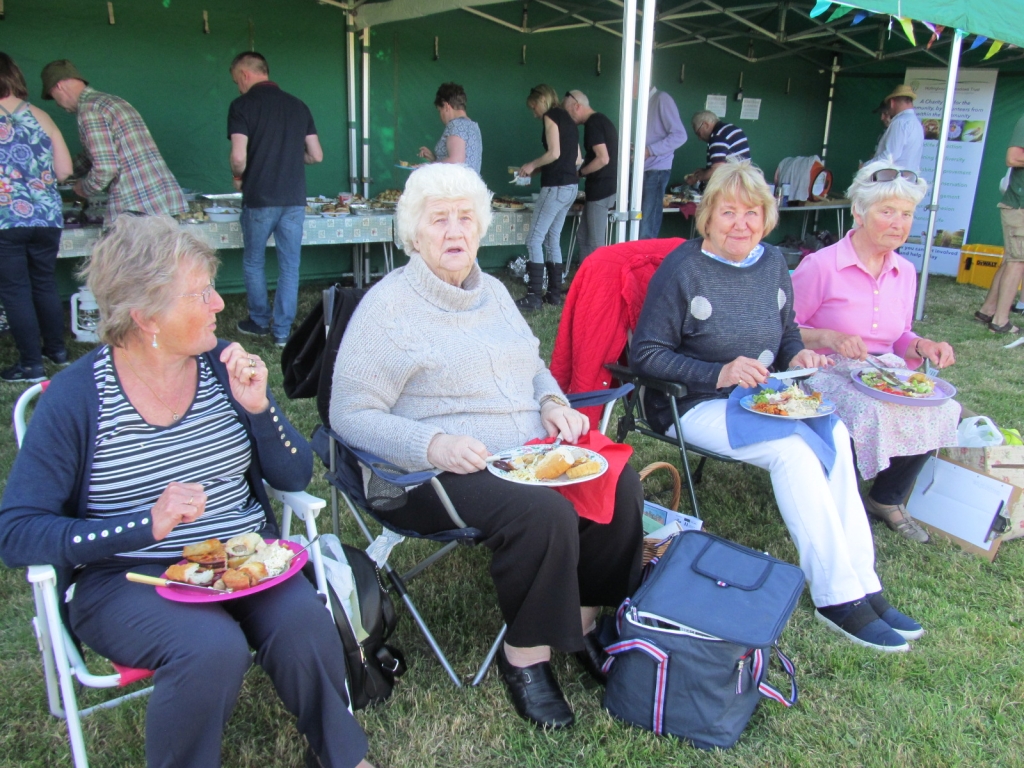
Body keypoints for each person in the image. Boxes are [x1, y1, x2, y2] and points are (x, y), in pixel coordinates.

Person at [0, 216, 371, 768]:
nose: (219, 304)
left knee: (300, 621)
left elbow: (294, 477)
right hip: (128, 578)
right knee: (209, 647)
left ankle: (343, 758)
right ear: (146, 317)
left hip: (242, 560)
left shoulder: (222, 367)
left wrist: (259, 408)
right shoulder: (79, 398)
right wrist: (144, 525)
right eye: (200, 294)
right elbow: (17, 532)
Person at [331, 163, 643, 730]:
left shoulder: (494, 292)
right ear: (414, 233)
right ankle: (525, 657)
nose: (455, 231)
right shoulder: (388, 308)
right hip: (426, 475)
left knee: (615, 476)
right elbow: (347, 415)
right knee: (542, 509)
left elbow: (533, 370)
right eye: (440, 219)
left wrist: (552, 405)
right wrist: (434, 442)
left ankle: (587, 621)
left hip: (522, 451)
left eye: (466, 219)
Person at [631, 159, 921, 653]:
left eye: (751, 213)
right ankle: (836, 597)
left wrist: (798, 354)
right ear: (707, 216)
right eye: (727, 213)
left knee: (832, 433)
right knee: (792, 451)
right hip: (690, 403)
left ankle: (863, 582)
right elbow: (646, 353)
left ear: (766, 217)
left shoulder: (770, 262)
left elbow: (786, 331)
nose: (740, 225)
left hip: (761, 396)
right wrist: (717, 372)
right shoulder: (683, 269)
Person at [792, 160, 960, 544]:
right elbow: (783, 331)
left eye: (906, 214)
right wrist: (830, 337)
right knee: (870, 410)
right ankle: (840, 498)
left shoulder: (905, 270)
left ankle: (887, 497)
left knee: (941, 406)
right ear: (859, 212)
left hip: (883, 369)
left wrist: (921, 345)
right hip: (824, 368)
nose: (898, 223)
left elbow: (898, 334)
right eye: (887, 212)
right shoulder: (821, 266)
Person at [228, 51, 323, 347]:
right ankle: (282, 332)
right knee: (289, 266)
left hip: (259, 197)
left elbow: (239, 158)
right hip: (294, 199)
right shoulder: (298, 105)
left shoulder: (242, 105)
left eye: (236, 81)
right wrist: (290, 155)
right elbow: (316, 155)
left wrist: (237, 174)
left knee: (254, 262)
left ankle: (258, 321)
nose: (238, 86)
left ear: (244, 75)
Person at [0, 53, 73, 383]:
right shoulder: (42, 116)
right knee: (44, 281)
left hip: (5, 219)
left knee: (15, 290)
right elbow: (64, 171)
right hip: (46, 216)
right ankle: (56, 351)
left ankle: (30, 365)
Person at [40, 59, 187, 221]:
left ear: (59, 87)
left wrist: (85, 187)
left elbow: (106, 168)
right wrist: (63, 169)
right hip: (158, 197)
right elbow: (100, 152)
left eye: (53, 96)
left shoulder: (89, 110)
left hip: (136, 206)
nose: (57, 104)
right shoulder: (111, 101)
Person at [515, 84, 581, 311]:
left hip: (555, 188)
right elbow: (576, 158)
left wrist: (532, 164)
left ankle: (533, 296)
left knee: (534, 239)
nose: (534, 113)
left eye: (533, 107)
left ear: (541, 101)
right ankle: (554, 294)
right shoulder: (569, 119)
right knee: (553, 239)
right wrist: (538, 170)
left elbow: (554, 153)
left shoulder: (551, 116)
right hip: (570, 187)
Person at [973, 111, 1024, 335]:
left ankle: (988, 310)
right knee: (1018, 262)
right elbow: (1012, 158)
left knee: (1011, 259)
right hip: (1019, 204)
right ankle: (1000, 321)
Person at [564, 89, 618, 260]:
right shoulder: (601, 120)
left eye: (568, 112)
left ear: (577, 106)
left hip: (601, 189)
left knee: (595, 243)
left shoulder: (593, 124)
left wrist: (581, 172)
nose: (568, 118)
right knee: (583, 236)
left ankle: (598, 283)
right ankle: (586, 280)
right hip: (602, 189)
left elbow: (603, 158)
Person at [638, 78, 687, 240]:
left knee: (648, 225)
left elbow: (680, 135)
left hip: (656, 170)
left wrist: (649, 150)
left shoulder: (661, 99)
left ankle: (648, 263)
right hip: (643, 169)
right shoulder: (645, 103)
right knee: (640, 222)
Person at [417, 82, 482, 174]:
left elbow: (456, 161)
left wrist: (428, 167)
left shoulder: (456, 124)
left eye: (440, 110)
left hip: (454, 187)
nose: (440, 116)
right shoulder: (473, 126)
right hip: (470, 186)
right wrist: (434, 159)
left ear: (446, 106)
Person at [685, 111, 750, 190]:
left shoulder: (717, 136)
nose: (699, 138)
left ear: (705, 125)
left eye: (698, 133)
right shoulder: (732, 128)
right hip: (744, 183)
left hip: (731, 186)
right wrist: (705, 171)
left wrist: (698, 177)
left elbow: (718, 170)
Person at [869, 84, 924, 173]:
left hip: (894, 181)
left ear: (892, 102)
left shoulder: (899, 122)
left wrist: (866, 166)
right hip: (909, 180)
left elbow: (889, 156)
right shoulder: (917, 123)